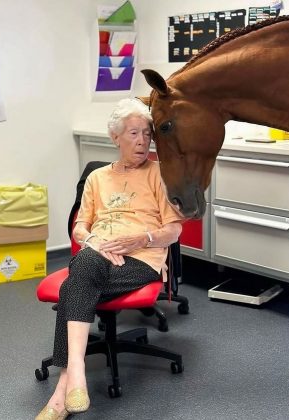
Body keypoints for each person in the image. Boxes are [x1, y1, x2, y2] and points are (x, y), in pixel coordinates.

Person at [36, 98, 184, 420]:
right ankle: (73, 374)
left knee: (74, 284)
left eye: (147, 133)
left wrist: (141, 238)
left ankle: (65, 384)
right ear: (115, 137)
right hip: (100, 253)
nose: (142, 140)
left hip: (140, 259)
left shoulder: (160, 175)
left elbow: (173, 231)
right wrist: (95, 243)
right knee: (86, 267)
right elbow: (80, 228)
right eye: (133, 133)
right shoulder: (97, 178)